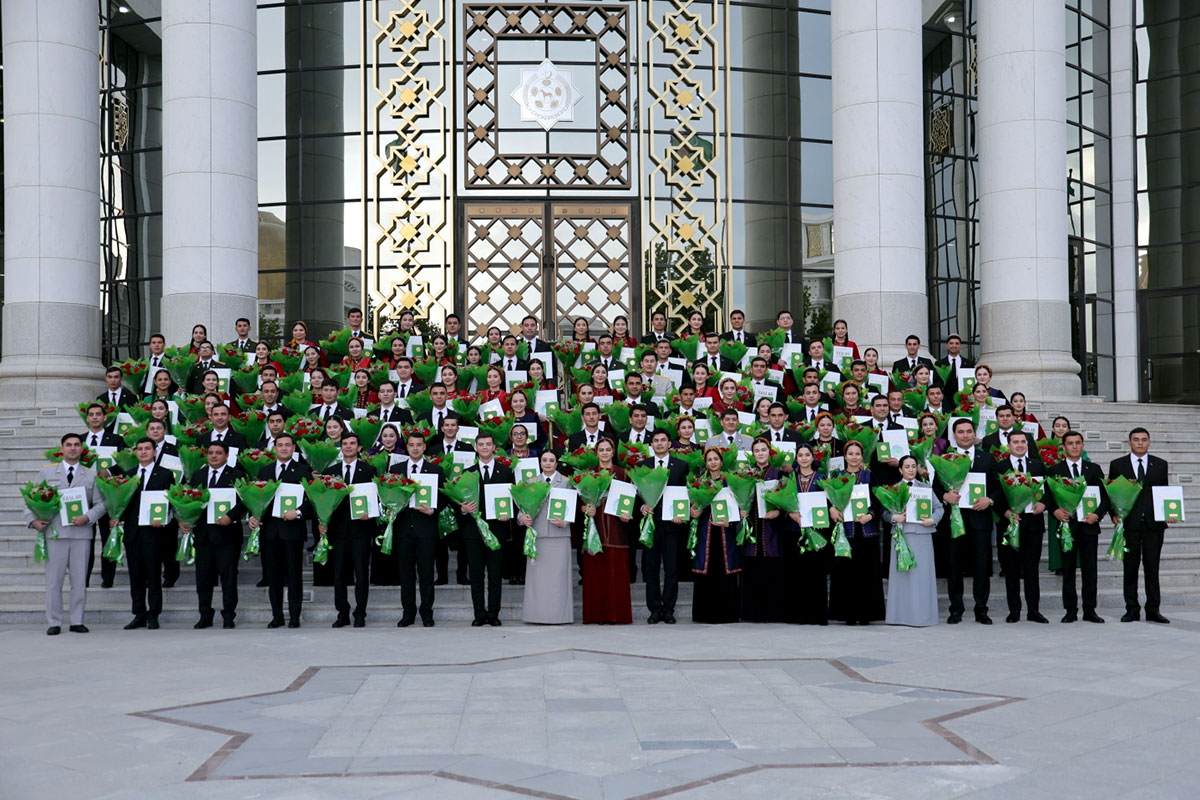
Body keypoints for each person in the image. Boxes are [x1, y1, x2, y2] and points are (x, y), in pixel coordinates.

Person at [30, 434, 106, 635]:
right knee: (54, 581)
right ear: (61, 449)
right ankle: (54, 621)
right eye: (69, 445)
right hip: (55, 533)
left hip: (81, 534)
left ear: (82, 449)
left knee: (79, 581)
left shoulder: (91, 475)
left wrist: (88, 516)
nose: (73, 448)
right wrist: (33, 521)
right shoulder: (46, 472)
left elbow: (101, 504)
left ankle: (77, 620)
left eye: (76, 445)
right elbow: (31, 499)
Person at [937, 418, 1002, 625]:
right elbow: (935, 485)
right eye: (960, 432)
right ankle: (956, 609)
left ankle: (981, 610)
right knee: (954, 567)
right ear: (954, 435)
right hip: (955, 520)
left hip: (980, 520)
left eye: (968, 431)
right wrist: (944, 496)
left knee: (981, 567)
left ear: (974, 434)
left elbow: (999, 486)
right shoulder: (945, 458)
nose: (965, 435)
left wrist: (989, 499)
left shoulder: (988, 458)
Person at [246, 433, 312, 623]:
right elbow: (257, 498)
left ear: (293, 448)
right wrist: (253, 516)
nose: (284, 448)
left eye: (287, 445)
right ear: (274, 448)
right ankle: (277, 615)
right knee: (273, 576)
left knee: (294, 575)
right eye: (280, 445)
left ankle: (294, 616)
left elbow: (313, 500)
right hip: (270, 531)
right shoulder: (265, 471)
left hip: (292, 530)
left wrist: (298, 512)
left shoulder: (303, 470)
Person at [180, 441, 246, 629]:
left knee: (228, 578)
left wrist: (230, 516)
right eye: (211, 453)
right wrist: (186, 519)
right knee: (203, 578)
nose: (214, 456)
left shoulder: (237, 475)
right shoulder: (198, 475)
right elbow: (189, 500)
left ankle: (228, 615)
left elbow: (244, 501)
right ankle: (205, 615)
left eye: (218, 453)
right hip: (204, 535)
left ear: (226, 455)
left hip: (227, 535)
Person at [1109, 427, 1172, 623]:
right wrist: (1113, 514)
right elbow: (1111, 492)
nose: (1140, 443)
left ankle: (1153, 609)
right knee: (1130, 569)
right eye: (1136, 439)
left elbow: (1165, 492)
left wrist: (1170, 512)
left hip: (1154, 526)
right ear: (1129, 442)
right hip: (1130, 525)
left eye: (1144, 439)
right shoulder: (1117, 465)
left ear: (1149, 442)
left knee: (1152, 569)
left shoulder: (1160, 464)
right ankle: (1132, 609)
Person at [114, 438, 176, 629]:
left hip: (154, 532)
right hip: (133, 532)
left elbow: (171, 501)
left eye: (147, 448)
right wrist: (116, 516)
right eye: (140, 449)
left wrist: (163, 517)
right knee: (136, 575)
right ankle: (139, 613)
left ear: (155, 451)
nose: (143, 452)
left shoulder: (165, 474)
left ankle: (154, 614)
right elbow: (122, 502)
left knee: (154, 574)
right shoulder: (129, 475)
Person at [1048, 430, 1109, 623]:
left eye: (1077, 443)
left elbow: (1106, 496)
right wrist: (1055, 511)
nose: (1074, 446)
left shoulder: (1094, 469)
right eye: (1070, 443)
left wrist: (1097, 514)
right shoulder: (1055, 470)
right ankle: (1070, 610)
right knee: (1068, 570)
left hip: (1089, 526)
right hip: (1067, 527)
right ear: (1063, 447)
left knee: (1090, 570)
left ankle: (1090, 610)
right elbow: (1048, 497)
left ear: (1083, 446)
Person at [991, 431, 1049, 623]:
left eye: (1023, 441)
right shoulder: (1000, 467)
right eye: (1015, 442)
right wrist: (1005, 512)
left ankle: (1034, 610)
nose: (1020, 445)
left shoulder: (1037, 465)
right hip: (1010, 524)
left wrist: (1044, 504)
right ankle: (1014, 611)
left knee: (1032, 570)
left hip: (1033, 525)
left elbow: (1047, 490)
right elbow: (994, 494)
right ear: (1008, 445)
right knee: (1011, 570)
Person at [321, 433, 378, 628]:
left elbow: (376, 498)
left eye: (352, 443)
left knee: (361, 574)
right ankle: (342, 613)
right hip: (337, 531)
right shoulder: (331, 472)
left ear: (359, 448)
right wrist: (323, 520)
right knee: (338, 575)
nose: (348, 446)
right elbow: (323, 500)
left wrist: (371, 513)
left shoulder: (369, 470)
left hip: (361, 530)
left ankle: (360, 612)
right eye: (345, 443)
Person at [882, 455, 943, 627]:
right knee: (901, 576)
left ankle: (923, 616)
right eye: (907, 466)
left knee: (922, 576)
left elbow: (939, 508)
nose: (910, 469)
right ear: (900, 469)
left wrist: (933, 519)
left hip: (923, 535)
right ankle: (899, 616)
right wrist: (894, 518)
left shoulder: (926, 488)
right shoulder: (893, 489)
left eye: (913, 466)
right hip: (901, 535)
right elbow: (885, 513)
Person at [828, 441, 884, 625]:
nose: (854, 457)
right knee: (846, 573)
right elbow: (829, 499)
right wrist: (832, 509)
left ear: (862, 456)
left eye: (857, 454)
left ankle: (866, 614)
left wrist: (870, 515)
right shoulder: (837, 476)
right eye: (850, 454)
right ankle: (848, 614)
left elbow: (878, 500)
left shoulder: (869, 475)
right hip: (846, 531)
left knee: (866, 573)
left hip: (866, 531)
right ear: (845, 456)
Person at [390, 431, 443, 627]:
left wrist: (432, 510)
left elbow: (443, 497)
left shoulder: (435, 470)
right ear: (407, 447)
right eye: (411, 445)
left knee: (427, 574)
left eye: (419, 445)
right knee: (406, 575)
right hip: (403, 530)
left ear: (424, 447)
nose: (415, 448)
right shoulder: (395, 469)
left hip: (426, 530)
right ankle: (408, 613)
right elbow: (387, 494)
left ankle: (427, 613)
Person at [461, 433, 511, 626]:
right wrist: (463, 509)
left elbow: (513, 500)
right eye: (481, 444)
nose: (484, 447)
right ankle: (479, 614)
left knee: (495, 575)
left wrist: (508, 514)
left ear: (494, 448)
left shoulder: (505, 472)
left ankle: (493, 614)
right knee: (476, 575)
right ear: (476, 448)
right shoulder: (468, 473)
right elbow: (459, 501)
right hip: (473, 532)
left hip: (497, 530)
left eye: (488, 444)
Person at [518, 449, 573, 624]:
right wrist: (522, 518)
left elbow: (571, 508)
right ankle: (536, 615)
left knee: (559, 579)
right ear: (540, 463)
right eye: (544, 460)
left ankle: (560, 616)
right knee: (538, 580)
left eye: (551, 460)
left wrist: (565, 521)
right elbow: (522, 507)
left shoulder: (566, 482)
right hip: (538, 534)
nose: (548, 463)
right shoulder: (531, 482)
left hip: (560, 536)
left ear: (557, 463)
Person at [581, 440, 633, 624]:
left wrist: (628, 513)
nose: (604, 453)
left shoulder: (623, 474)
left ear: (613, 452)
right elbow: (579, 502)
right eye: (601, 450)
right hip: (594, 530)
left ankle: (617, 615)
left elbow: (630, 501)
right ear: (596, 453)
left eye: (608, 450)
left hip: (617, 530)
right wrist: (585, 509)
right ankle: (597, 615)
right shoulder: (588, 474)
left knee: (615, 575)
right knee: (595, 576)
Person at [687, 447, 741, 623]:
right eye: (709, 460)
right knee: (706, 568)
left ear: (722, 461)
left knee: (725, 568)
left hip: (725, 531)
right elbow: (692, 507)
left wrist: (730, 522)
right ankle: (705, 614)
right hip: (706, 532)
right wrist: (692, 512)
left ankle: (728, 614)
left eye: (716, 459)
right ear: (706, 463)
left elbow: (739, 507)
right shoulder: (698, 482)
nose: (713, 462)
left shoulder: (731, 482)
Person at [641, 430, 689, 624]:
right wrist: (642, 507)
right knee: (651, 569)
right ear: (651, 444)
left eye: (663, 440)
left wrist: (682, 515)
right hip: (651, 525)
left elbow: (686, 493)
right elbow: (637, 494)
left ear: (670, 444)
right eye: (656, 441)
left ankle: (668, 609)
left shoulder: (681, 465)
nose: (659, 443)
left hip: (672, 526)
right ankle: (654, 609)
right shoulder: (643, 466)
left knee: (672, 569)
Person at [783, 443, 830, 625]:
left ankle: (817, 615)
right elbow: (781, 503)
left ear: (813, 457)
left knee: (816, 573)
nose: (804, 458)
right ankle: (797, 615)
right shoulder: (789, 479)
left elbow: (829, 504)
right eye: (800, 455)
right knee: (796, 574)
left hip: (816, 532)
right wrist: (791, 514)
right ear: (796, 458)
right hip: (794, 531)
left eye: (807, 455)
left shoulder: (822, 479)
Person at [740, 439, 786, 622]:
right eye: (757, 451)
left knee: (771, 570)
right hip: (752, 528)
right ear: (753, 454)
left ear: (769, 452)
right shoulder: (746, 475)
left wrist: (778, 512)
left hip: (772, 529)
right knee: (753, 569)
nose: (760, 453)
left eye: (763, 450)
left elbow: (788, 501)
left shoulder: (778, 474)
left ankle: (772, 612)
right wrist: (741, 510)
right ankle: (752, 612)